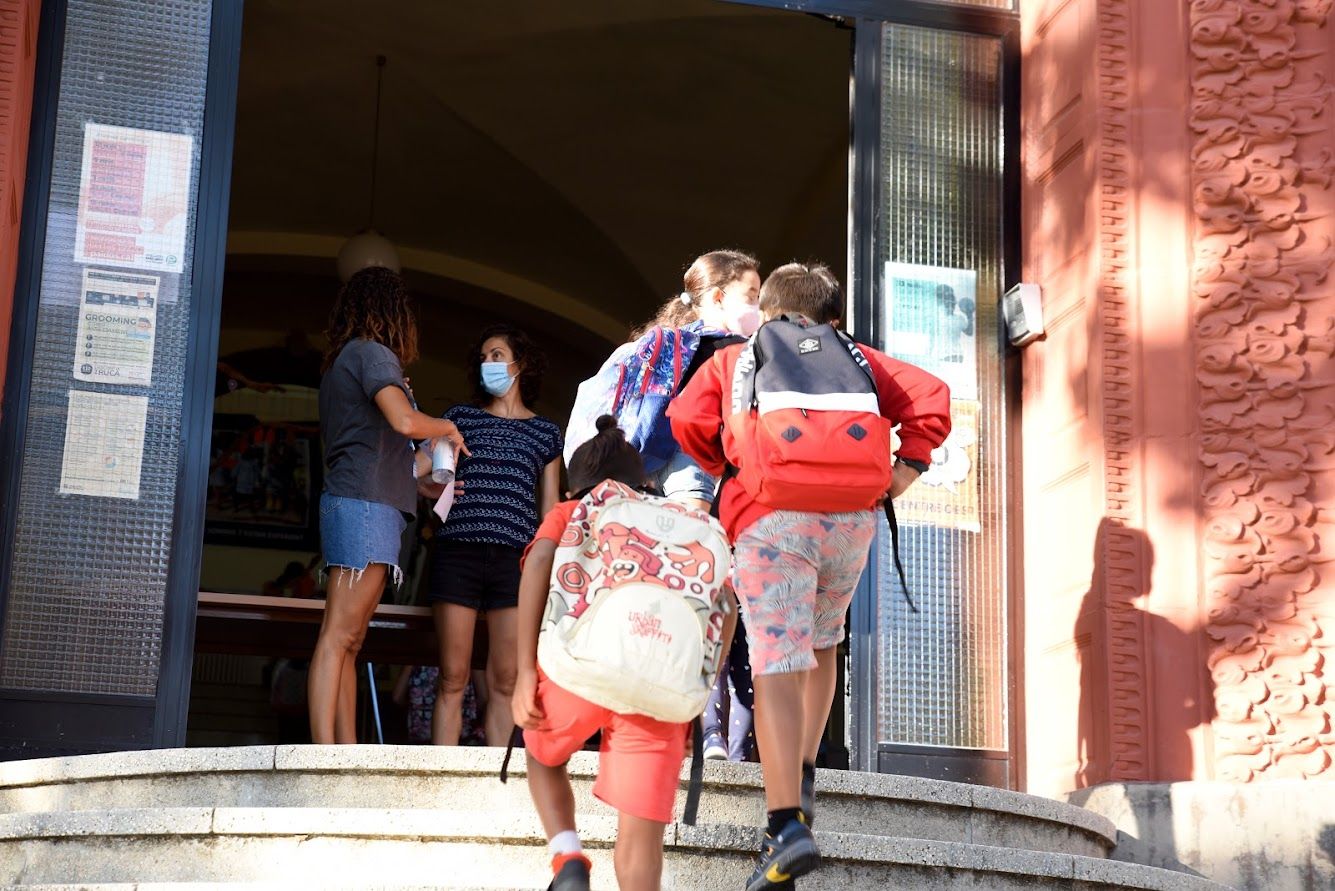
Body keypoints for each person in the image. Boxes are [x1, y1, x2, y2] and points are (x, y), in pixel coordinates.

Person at [669, 262, 951, 889]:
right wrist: (905, 470)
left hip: (771, 520)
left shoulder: (738, 358)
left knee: (775, 659)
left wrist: (733, 464)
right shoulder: (860, 357)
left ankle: (785, 824)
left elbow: (686, 419)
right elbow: (933, 396)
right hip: (851, 522)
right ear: (834, 319)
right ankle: (801, 777)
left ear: (765, 311)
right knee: (822, 644)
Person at [513, 417, 736, 891]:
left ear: (578, 484)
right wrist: (695, 694)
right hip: (660, 693)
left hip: (580, 674)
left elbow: (537, 561)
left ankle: (569, 860)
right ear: (644, 482)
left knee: (542, 756)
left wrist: (521, 674)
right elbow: (727, 606)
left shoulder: (576, 508)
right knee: (640, 841)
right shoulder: (678, 526)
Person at [309, 265, 467, 745]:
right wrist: (445, 427)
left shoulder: (347, 359)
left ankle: (344, 753)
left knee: (350, 640)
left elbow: (387, 451)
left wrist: (426, 478)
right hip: (362, 505)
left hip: (362, 502)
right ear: (392, 312)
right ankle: (321, 754)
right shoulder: (373, 354)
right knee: (341, 634)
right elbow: (402, 421)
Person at [427, 324, 563, 746]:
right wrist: (426, 487)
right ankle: (439, 783)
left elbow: (550, 509)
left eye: (498, 355)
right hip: (458, 553)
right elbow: (426, 475)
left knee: (505, 680)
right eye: (484, 357)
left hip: (514, 563)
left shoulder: (545, 433)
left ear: (519, 365)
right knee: (453, 676)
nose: (489, 363)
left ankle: (497, 794)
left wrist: (550, 569)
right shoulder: (458, 419)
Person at [567, 249, 761, 512]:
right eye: (752, 296)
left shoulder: (673, 342)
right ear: (718, 297)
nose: (759, 306)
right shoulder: (737, 349)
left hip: (640, 460)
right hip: (692, 459)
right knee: (690, 540)